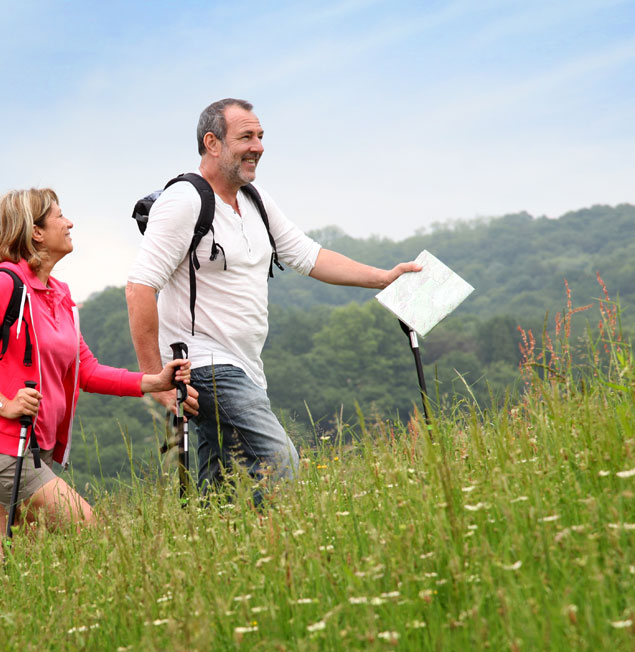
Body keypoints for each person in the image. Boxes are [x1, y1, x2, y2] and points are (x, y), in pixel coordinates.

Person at [126, 98, 420, 502]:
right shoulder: (184, 201)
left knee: (221, 492)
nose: (259, 147)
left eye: (261, 137)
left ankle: (219, 554)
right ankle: (285, 549)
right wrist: (154, 381)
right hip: (205, 365)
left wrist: (382, 278)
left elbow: (309, 256)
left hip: (247, 368)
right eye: (246, 137)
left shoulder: (255, 199)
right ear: (212, 143)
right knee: (280, 462)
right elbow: (140, 287)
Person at [0, 188, 190, 554]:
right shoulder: (3, 284)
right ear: (35, 231)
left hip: (32, 445)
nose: (69, 222)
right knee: (94, 530)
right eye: (59, 215)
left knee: (13, 552)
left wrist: (153, 382)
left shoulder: (58, 294)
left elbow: (85, 371)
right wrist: (2, 403)